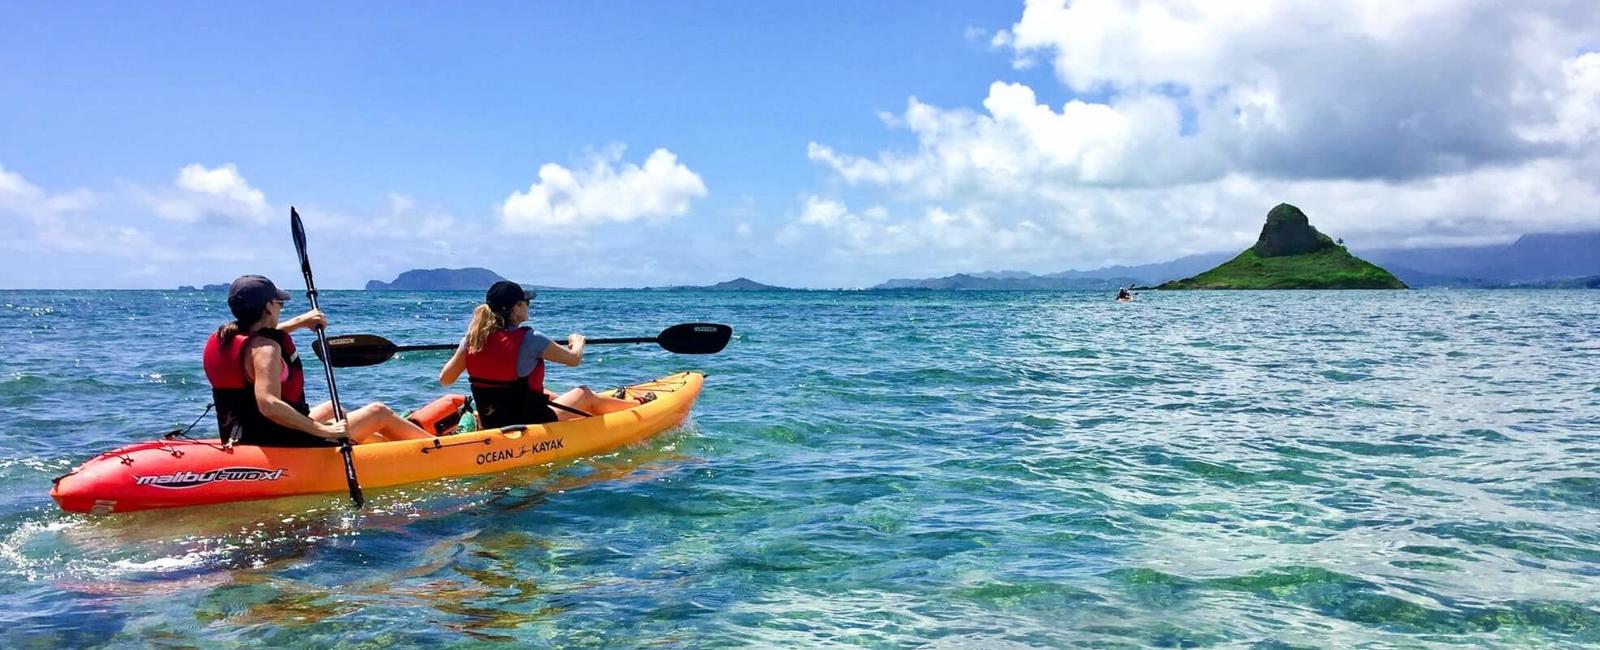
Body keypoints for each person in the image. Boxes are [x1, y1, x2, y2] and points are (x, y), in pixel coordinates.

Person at [203, 275, 433, 447]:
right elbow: (269, 404)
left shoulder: (223, 338)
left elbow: (258, 340)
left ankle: (382, 452)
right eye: (279, 303)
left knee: (335, 408)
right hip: (275, 439)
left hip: (240, 431)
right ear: (268, 307)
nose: (281, 308)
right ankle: (442, 449)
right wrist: (323, 430)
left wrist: (300, 322)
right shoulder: (266, 350)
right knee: (378, 411)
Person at [438, 280, 646, 429]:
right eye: (526, 302)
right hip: (531, 420)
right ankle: (640, 408)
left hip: (493, 420)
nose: (529, 306)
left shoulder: (471, 341)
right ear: (516, 307)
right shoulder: (531, 338)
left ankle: (614, 405)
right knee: (584, 394)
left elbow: (446, 380)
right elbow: (574, 360)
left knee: (540, 391)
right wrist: (577, 343)